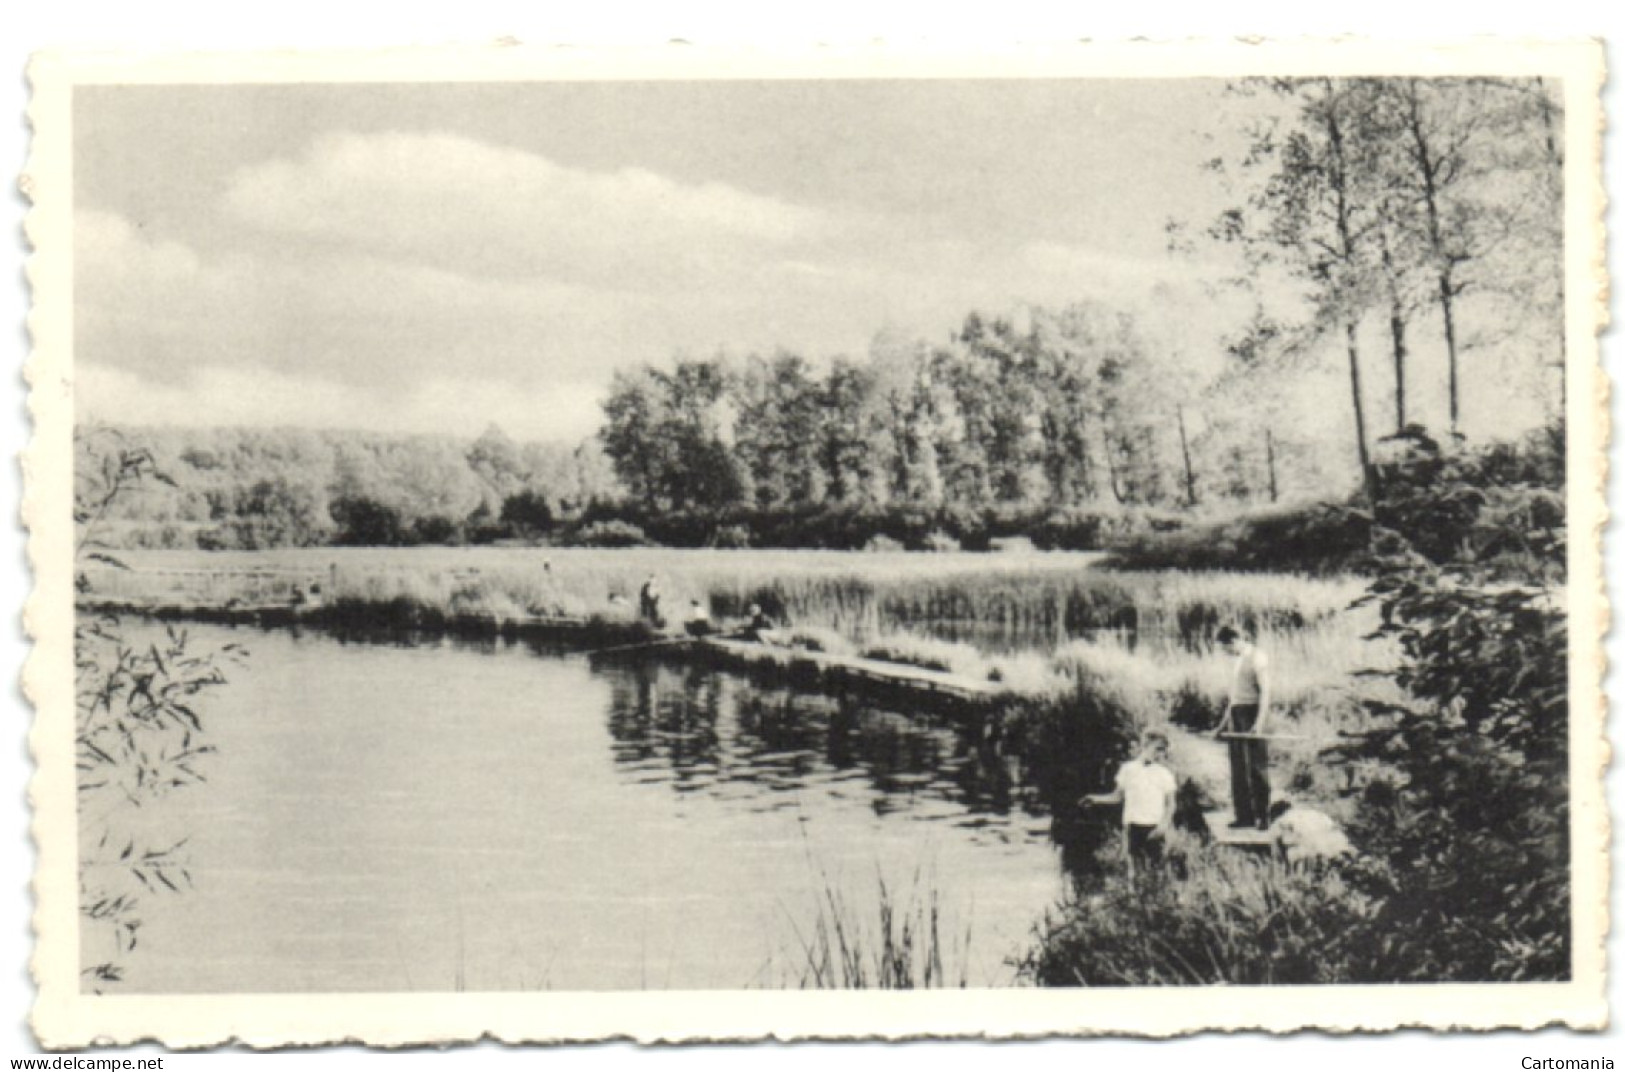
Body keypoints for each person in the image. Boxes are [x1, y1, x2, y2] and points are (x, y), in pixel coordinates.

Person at [1083, 732, 1178, 868]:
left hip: (1155, 827)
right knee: (1134, 869)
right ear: (1145, 745)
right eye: (1157, 748)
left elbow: (1171, 804)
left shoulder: (1164, 773)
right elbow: (1117, 796)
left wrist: (1163, 825)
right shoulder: (1128, 769)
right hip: (1133, 826)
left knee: (1156, 869)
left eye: (1163, 750)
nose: (1160, 754)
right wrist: (1096, 799)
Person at [1213, 624, 1272, 830]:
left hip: (1253, 713)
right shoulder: (1236, 661)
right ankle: (1244, 816)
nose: (1226, 653)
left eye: (1226, 648)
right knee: (1238, 767)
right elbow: (1234, 698)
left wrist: (1259, 722)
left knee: (1257, 767)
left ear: (1235, 641)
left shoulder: (1257, 657)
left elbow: (1265, 693)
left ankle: (1264, 816)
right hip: (1237, 714)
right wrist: (1221, 725)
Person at [1269, 799, 1353, 864]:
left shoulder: (1281, 820)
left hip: (1310, 856)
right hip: (1337, 848)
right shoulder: (1315, 813)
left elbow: (1276, 853)